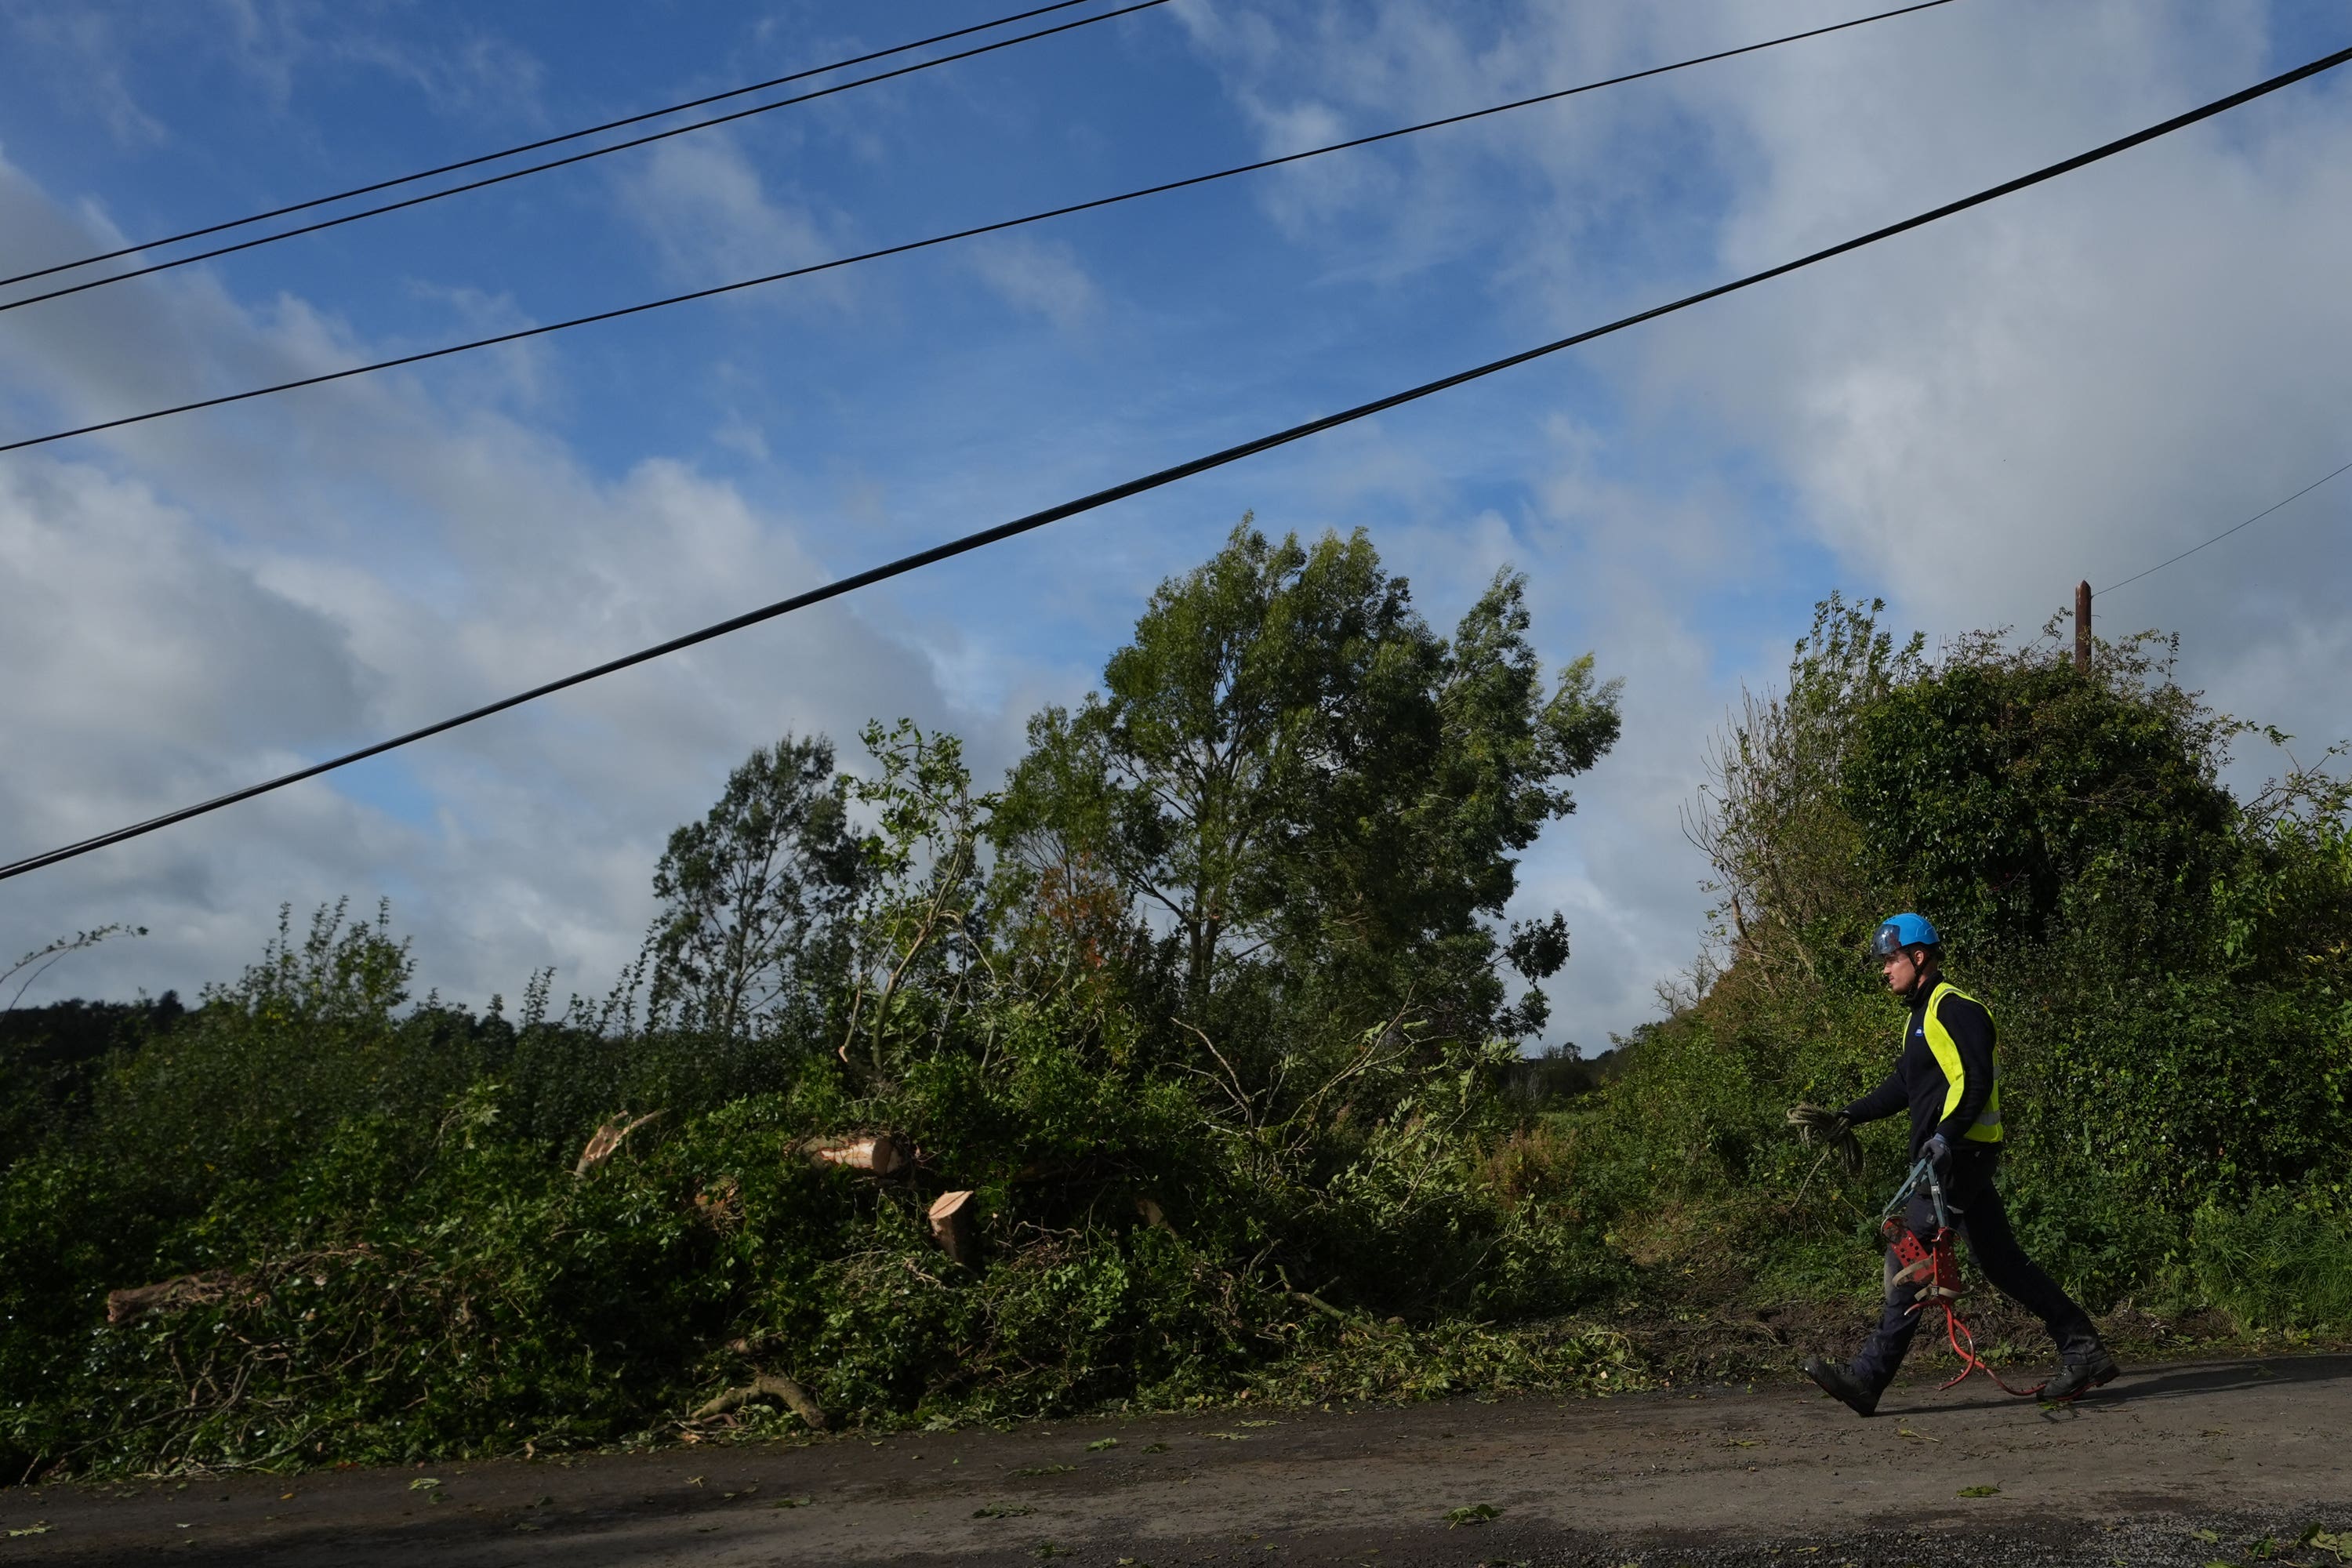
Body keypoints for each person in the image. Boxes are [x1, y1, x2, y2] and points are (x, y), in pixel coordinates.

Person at [1799, 913, 2117, 1416]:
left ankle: (1866, 1378)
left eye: (1890, 959)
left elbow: (1974, 1080)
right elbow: (1906, 1086)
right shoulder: (1920, 1018)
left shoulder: (1956, 1009)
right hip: (1955, 1158)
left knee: (1907, 1260)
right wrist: (1847, 1116)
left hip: (1956, 1159)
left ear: (1918, 957)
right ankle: (2083, 1350)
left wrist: (1944, 1137)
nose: (1884, 970)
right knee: (2003, 1264)